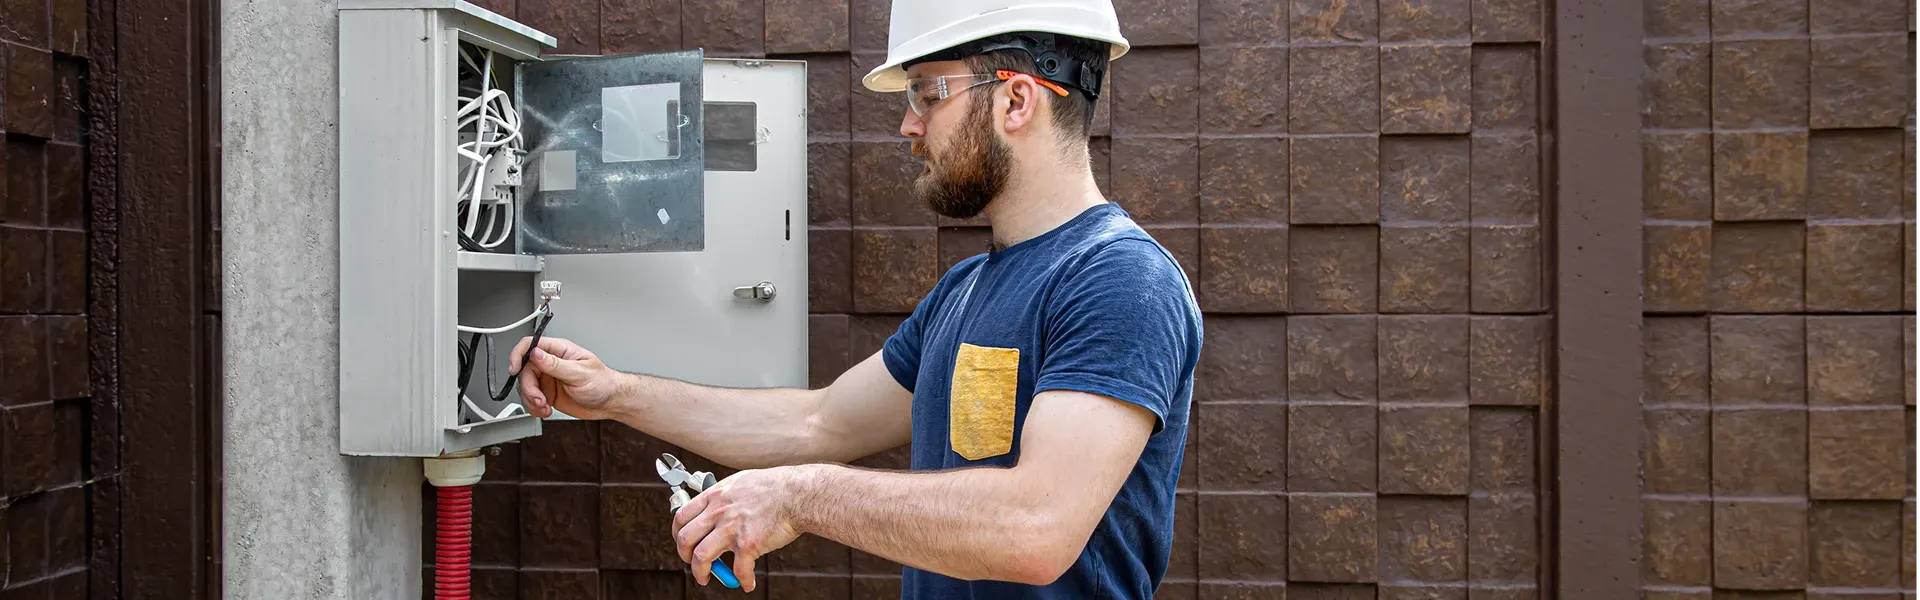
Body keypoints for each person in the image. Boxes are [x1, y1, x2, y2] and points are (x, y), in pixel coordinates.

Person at [507, 1, 1202, 597]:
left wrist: (797, 495)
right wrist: (615, 392)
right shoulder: (966, 291)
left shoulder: (1119, 280)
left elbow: (1037, 525)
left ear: (1016, 100)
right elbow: (821, 423)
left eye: (929, 94)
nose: (908, 125)